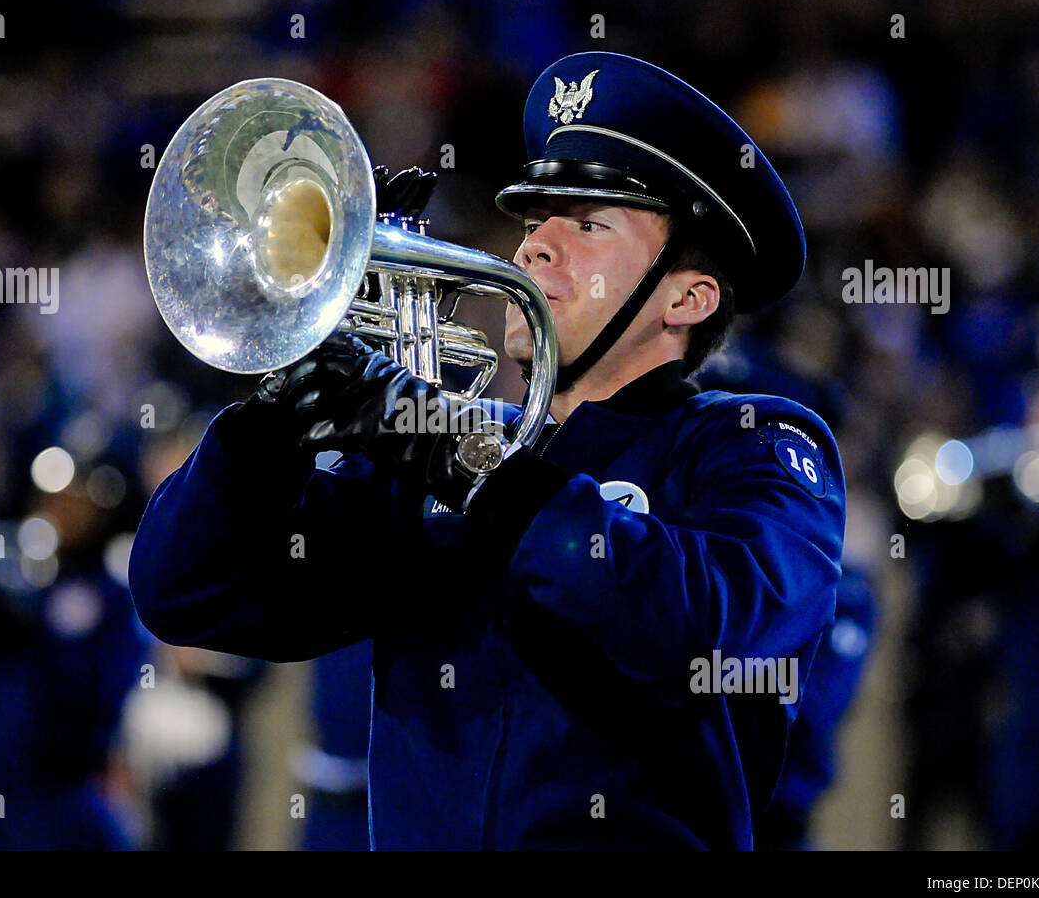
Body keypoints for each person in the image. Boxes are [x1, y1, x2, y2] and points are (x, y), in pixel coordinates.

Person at [129, 52, 846, 849]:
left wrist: (459, 454)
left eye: (587, 223)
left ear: (687, 297)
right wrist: (275, 422)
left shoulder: (749, 442)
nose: (535, 246)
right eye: (536, 219)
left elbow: (708, 630)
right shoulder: (435, 451)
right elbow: (184, 590)